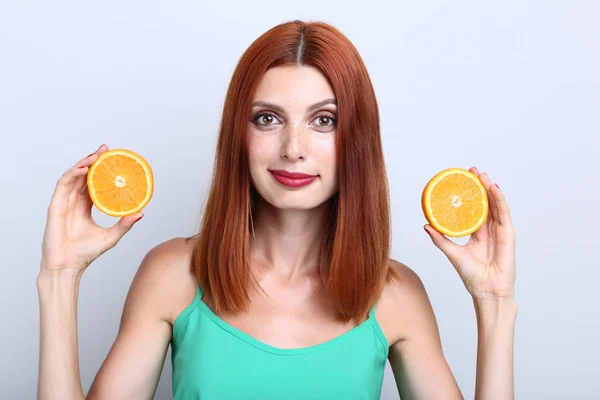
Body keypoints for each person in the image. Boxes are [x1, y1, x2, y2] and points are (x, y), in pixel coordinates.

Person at [37, 20, 517, 399]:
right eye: (267, 119)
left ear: (358, 142)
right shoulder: (173, 275)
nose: (293, 148)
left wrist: (494, 305)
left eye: (324, 120)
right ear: (238, 136)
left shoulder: (396, 296)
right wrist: (59, 279)